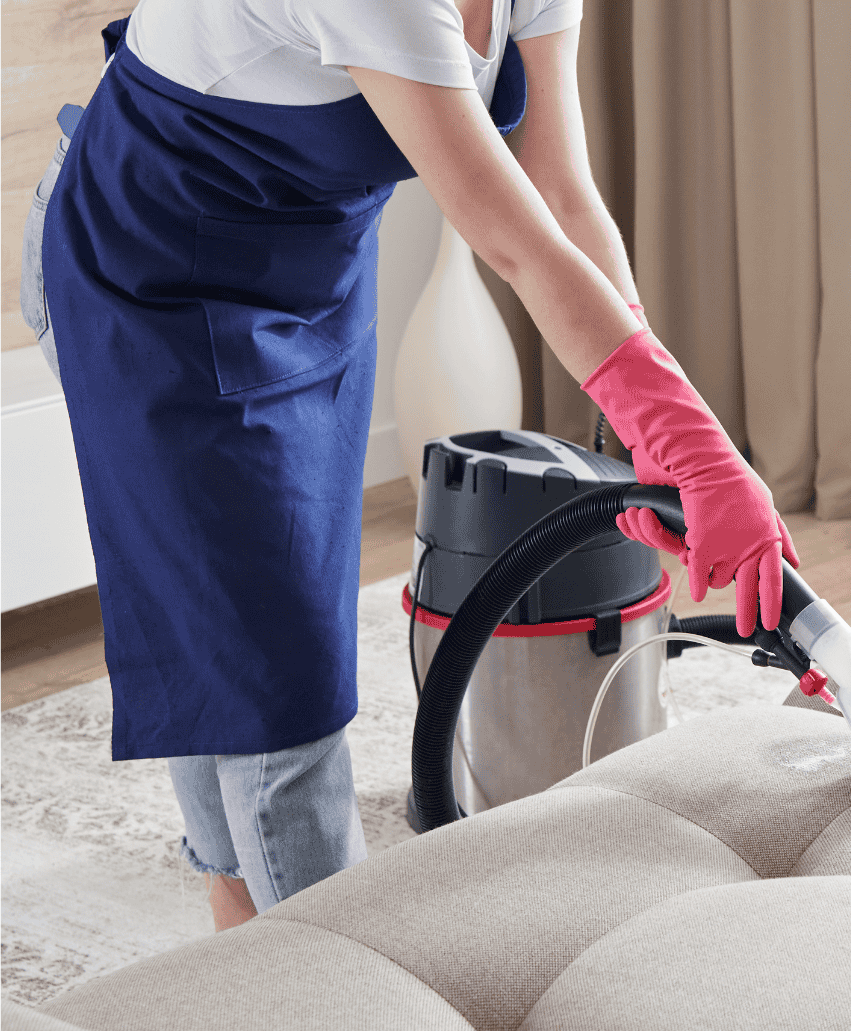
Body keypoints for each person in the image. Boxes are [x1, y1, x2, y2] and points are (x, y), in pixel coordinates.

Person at [27, 0, 797, 932]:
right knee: (278, 671)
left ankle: (237, 929)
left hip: (306, 277)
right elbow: (514, 241)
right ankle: (347, 975)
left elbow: (557, 194)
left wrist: (653, 436)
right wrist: (693, 444)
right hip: (144, 268)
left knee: (233, 616)